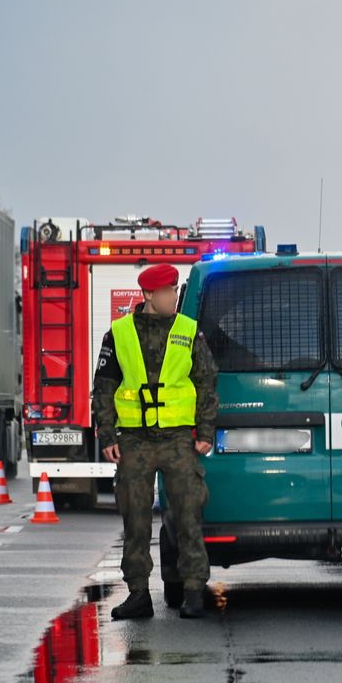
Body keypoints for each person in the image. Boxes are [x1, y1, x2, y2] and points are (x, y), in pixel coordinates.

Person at [92, 263, 219, 619]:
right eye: (166, 292)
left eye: (175, 291)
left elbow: (207, 381)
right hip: (134, 440)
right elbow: (103, 388)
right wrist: (106, 434)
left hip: (179, 439)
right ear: (148, 295)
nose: (173, 297)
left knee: (187, 514)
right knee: (135, 518)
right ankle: (138, 594)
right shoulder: (118, 334)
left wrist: (205, 431)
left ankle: (193, 590)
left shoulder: (189, 330)